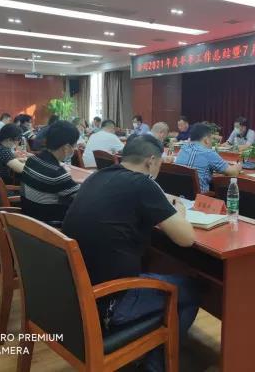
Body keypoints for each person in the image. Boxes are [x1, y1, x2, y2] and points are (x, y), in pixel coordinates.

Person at [63, 135, 199, 372]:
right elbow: (186, 239)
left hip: (78, 292)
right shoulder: (142, 184)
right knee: (191, 289)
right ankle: (155, 367)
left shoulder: (98, 176)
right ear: (151, 161)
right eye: (159, 164)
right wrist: (180, 213)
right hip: (111, 301)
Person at [20, 121, 81, 223]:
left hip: (28, 220)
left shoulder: (32, 160)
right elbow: (83, 198)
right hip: (48, 227)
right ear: (66, 147)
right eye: (74, 145)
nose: (75, 149)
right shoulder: (57, 174)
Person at [175, 123, 241, 193]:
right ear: (206, 140)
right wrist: (238, 166)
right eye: (211, 139)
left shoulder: (183, 148)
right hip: (200, 197)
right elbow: (233, 173)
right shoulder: (208, 153)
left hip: (179, 195)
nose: (212, 142)